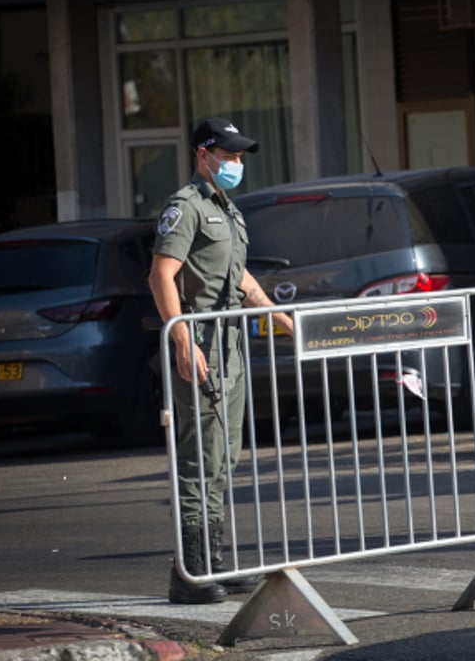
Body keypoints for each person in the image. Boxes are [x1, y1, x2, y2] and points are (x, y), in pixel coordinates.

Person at [150, 117, 294, 604]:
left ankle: (212, 558)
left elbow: (241, 276)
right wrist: (183, 340)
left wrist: (275, 315)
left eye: (238, 157)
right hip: (202, 346)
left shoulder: (227, 209)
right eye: (228, 155)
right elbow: (161, 276)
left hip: (232, 347)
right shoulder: (185, 207)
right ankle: (187, 571)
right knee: (199, 459)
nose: (236, 163)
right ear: (202, 155)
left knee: (224, 457)